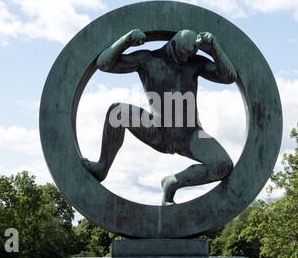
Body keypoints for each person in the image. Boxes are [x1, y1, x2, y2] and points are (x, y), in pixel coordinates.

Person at [83, 29, 238, 205]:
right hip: (157, 129)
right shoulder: (147, 59)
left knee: (222, 165)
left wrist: (214, 48)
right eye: (183, 54)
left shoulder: (195, 63)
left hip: (190, 134)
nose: (185, 59)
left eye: (190, 55)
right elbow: (104, 64)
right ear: (172, 44)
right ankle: (103, 166)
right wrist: (125, 40)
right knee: (117, 111)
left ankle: (172, 183)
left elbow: (229, 77)